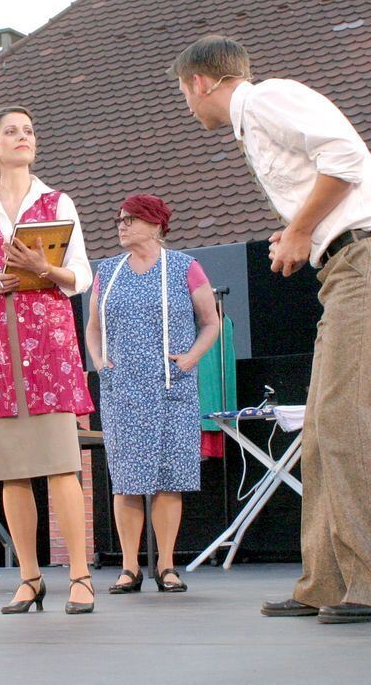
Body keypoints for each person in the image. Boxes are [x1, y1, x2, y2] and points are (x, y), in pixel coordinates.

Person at [169, 35, 371, 623]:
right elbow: (327, 184)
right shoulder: (255, 123)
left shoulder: (267, 100)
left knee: (350, 421)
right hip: (349, 263)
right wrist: (298, 234)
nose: (187, 107)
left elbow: (345, 158)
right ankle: (326, 583)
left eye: (184, 93)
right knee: (324, 424)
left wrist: (302, 229)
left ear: (200, 83)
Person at [0, 106, 97, 615]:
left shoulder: (57, 202)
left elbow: (83, 276)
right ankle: (30, 579)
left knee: (60, 467)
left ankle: (80, 577)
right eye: (11, 132)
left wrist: (44, 268)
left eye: (29, 130)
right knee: (13, 471)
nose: (23, 137)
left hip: (49, 351)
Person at [85, 194, 218, 594]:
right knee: (126, 480)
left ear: (157, 225)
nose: (122, 225)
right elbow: (93, 326)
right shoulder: (107, 271)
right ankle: (129, 567)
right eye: (120, 219)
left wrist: (189, 360)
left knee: (167, 478)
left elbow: (210, 321)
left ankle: (166, 565)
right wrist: (99, 360)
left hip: (169, 388)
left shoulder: (184, 267)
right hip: (121, 388)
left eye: (131, 219)